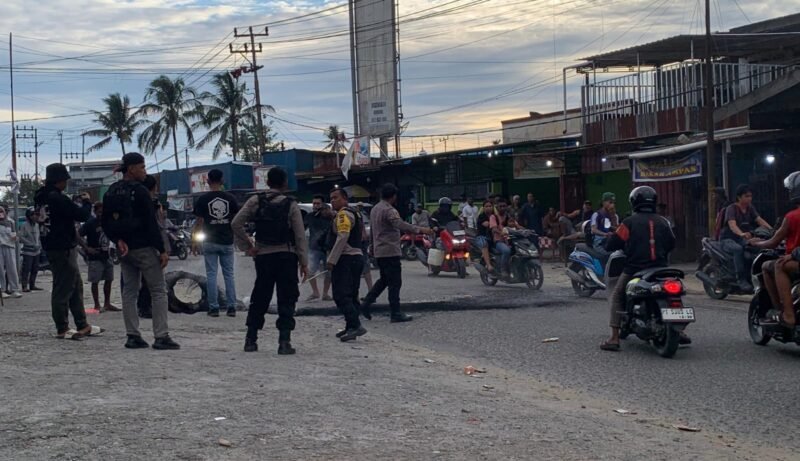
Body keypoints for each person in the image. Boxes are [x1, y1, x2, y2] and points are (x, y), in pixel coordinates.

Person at [103, 153, 178, 350]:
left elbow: (106, 222)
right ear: (131, 169)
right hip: (144, 247)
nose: (145, 171)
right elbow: (150, 223)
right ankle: (161, 336)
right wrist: (161, 249)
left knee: (129, 291)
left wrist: (117, 240)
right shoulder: (141, 191)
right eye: (142, 167)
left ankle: (133, 335)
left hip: (124, 250)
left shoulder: (111, 191)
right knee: (158, 290)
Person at [232, 167, 308, 355]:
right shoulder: (291, 204)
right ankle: (284, 342)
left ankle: (251, 339)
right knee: (287, 298)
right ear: (285, 183)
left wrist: (248, 246)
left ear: (267, 182)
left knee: (260, 296)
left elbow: (235, 224)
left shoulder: (255, 201)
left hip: (263, 256)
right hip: (286, 256)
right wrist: (304, 262)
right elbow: (300, 236)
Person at [600, 186, 679, 352]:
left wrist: (613, 243)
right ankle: (681, 331)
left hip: (635, 268)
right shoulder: (663, 221)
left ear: (634, 202)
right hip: (661, 268)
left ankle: (614, 337)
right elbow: (672, 243)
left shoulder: (629, 222)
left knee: (617, 295)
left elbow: (613, 243)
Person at [34, 163, 102, 339]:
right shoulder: (57, 198)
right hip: (62, 247)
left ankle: (82, 324)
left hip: (52, 245)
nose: (66, 183)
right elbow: (82, 215)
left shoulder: (40, 197)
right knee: (63, 288)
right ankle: (62, 328)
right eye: (65, 180)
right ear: (59, 180)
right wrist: (86, 201)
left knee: (75, 286)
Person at [361, 184, 432, 322]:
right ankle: (395, 313)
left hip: (380, 249)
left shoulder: (375, 208)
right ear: (393, 196)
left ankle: (367, 303)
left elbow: (373, 230)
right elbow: (400, 225)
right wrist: (421, 230)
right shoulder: (389, 210)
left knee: (384, 280)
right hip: (390, 250)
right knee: (395, 283)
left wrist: (372, 246)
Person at [750, 171, 800, 327]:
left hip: (797, 261)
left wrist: (756, 243)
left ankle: (786, 313)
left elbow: (773, 242)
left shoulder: (792, 217)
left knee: (774, 266)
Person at [192, 168, 240, 317]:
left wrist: (194, 241)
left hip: (210, 241)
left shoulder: (202, 199)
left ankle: (213, 308)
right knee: (229, 275)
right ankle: (231, 307)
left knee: (211, 274)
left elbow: (199, 222)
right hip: (227, 241)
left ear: (208, 181)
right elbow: (236, 221)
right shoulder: (230, 198)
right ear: (222, 181)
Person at [326, 188, 368, 342]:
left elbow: (343, 236)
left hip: (346, 259)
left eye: (335, 197)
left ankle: (355, 325)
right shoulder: (355, 213)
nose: (332, 201)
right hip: (356, 257)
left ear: (345, 199)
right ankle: (351, 326)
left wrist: (332, 259)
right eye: (331, 198)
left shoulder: (343, 215)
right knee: (351, 294)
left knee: (341, 295)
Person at [719, 184, 773, 292]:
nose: (749, 198)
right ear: (739, 197)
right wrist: (741, 234)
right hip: (728, 239)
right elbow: (732, 225)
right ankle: (741, 279)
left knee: (756, 247)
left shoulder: (750, 208)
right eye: (746, 196)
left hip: (742, 238)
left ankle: (754, 276)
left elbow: (759, 220)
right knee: (738, 249)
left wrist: (772, 230)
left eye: (750, 196)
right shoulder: (731, 208)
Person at [80, 202, 120, 313]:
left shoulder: (108, 222)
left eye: (103, 212)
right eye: (99, 212)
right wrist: (86, 248)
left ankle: (107, 303)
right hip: (95, 256)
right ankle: (96, 304)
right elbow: (78, 234)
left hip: (107, 254)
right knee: (95, 281)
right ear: (95, 211)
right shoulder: (90, 223)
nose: (101, 214)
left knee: (109, 279)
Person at [303, 194, 333, 302]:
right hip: (314, 247)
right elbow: (302, 228)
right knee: (310, 271)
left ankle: (325, 293)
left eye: (318, 203)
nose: (315, 205)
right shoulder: (310, 216)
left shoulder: (329, 216)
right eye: (314, 203)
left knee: (328, 272)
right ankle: (315, 292)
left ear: (323, 204)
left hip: (327, 248)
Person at [490, 198, 519, 277]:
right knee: (506, 251)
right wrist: (501, 233)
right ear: (497, 207)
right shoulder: (493, 217)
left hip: (511, 240)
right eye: (500, 206)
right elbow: (494, 229)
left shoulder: (509, 216)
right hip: (499, 241)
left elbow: (517, 225)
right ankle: (503, 269)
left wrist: (527, 230)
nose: (502, 208)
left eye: (504, 206)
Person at [18, 207, 43, 292]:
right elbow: (21, 237)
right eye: (33, 215)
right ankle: (24, 286)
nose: (35, 216)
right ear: (29, 216)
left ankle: (32, 285)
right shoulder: (24, 225)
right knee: (26, 269)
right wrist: (31, 244)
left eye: (36, 214)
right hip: (28, 251)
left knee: (35, 268)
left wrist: (39, 245)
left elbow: (38, 237)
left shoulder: (37, 225)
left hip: (37, 251)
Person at [0, 206, 22, 298]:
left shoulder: (11, 222)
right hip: (0, 246)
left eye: (2, 211)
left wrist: (15, 237)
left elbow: (15, 234)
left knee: (12, 268)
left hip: (9, 246)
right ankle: (2, 290)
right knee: (0, 269)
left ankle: (15, 289)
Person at [475, 199, 495, 273]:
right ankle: (489, 265)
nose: (488, 208)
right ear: (483, 208)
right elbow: (487, 224)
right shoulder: (481, 216)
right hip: (482, 237)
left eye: (490, 206)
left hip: (492, 237)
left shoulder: (495, 216)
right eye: (486, 206)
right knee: (484, 244)